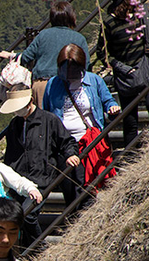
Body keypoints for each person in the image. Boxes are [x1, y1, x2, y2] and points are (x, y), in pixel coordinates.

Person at [96, 0, 149, 148]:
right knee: (130, 121)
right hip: (125, 76)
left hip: (147, 68)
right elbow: (103, 52)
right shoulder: (109, 23)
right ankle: (131, 157)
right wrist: (122, 68)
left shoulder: (141, 14)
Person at [0, 87, 79, 244]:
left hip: (42, 176)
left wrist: (71, 154)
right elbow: (11, 153)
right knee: (14, 216)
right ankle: (28, 248)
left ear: (30, 102)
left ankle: (39, 248)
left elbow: (66, 141)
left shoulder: (49, 120)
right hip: (20, 179)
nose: (16, 112)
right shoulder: (14, 124)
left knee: (28, 215)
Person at [42, 44, 121, 193]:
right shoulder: (53, 84)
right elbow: (47, 112)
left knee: (87, 185)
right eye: (65, 70)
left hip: (88, 141)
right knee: (70, 187)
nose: (69, 75)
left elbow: (107, 100)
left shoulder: (94, 81)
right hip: (63, 144)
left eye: (73, 71)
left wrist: (112, 107)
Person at [20, 1, 90, 109]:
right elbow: (86, 64)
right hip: (69, 84)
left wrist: (13, 56)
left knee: (44, 122)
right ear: (71, 16)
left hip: (42, 84)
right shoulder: (78, 38)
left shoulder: (42, 35)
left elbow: (26, 57)